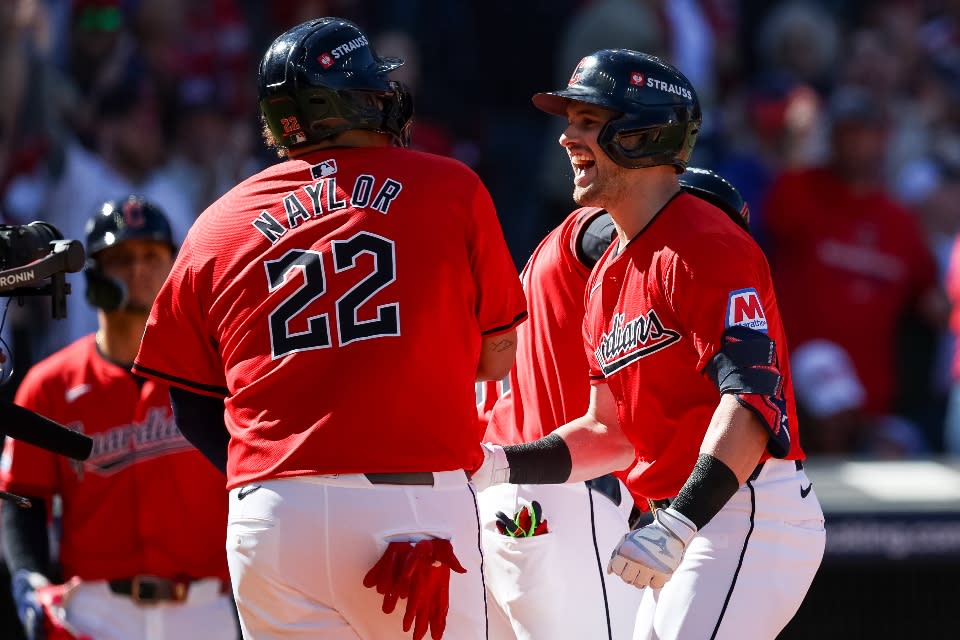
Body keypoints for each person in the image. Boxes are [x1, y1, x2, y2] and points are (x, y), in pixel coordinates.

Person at [130, 16, 527, 640]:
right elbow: (498, 358)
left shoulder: (216, 223)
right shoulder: (450, 185)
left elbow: (190, 405)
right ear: (351, 102)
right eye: (372, 90)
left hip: (266, 519)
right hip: (405, 511)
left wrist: (279, 475)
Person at [472, 49, 826, 640]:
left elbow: (753, 401)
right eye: (571, 120)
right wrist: (495, 465)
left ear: (641, 135)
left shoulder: (706, 242)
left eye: (588, 121)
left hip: (743, 512)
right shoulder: (608, 270)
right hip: (677, 520)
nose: (567, 138)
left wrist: (680, 522)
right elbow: (607, 434)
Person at [477, 167, 750, 640]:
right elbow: (613, 230)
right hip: (566, 495)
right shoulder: (597, 236)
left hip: (501, 492)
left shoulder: (570, 267)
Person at [0, 196, 237, 640]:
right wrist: (29, 578)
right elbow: (22, 498)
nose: (138, 270)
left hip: (206, 606)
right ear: (93, 274)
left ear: (175, 265)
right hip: (94, 610)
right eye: (121, 258)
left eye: (152, 256)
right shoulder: (50, 384)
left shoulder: (214, 373)